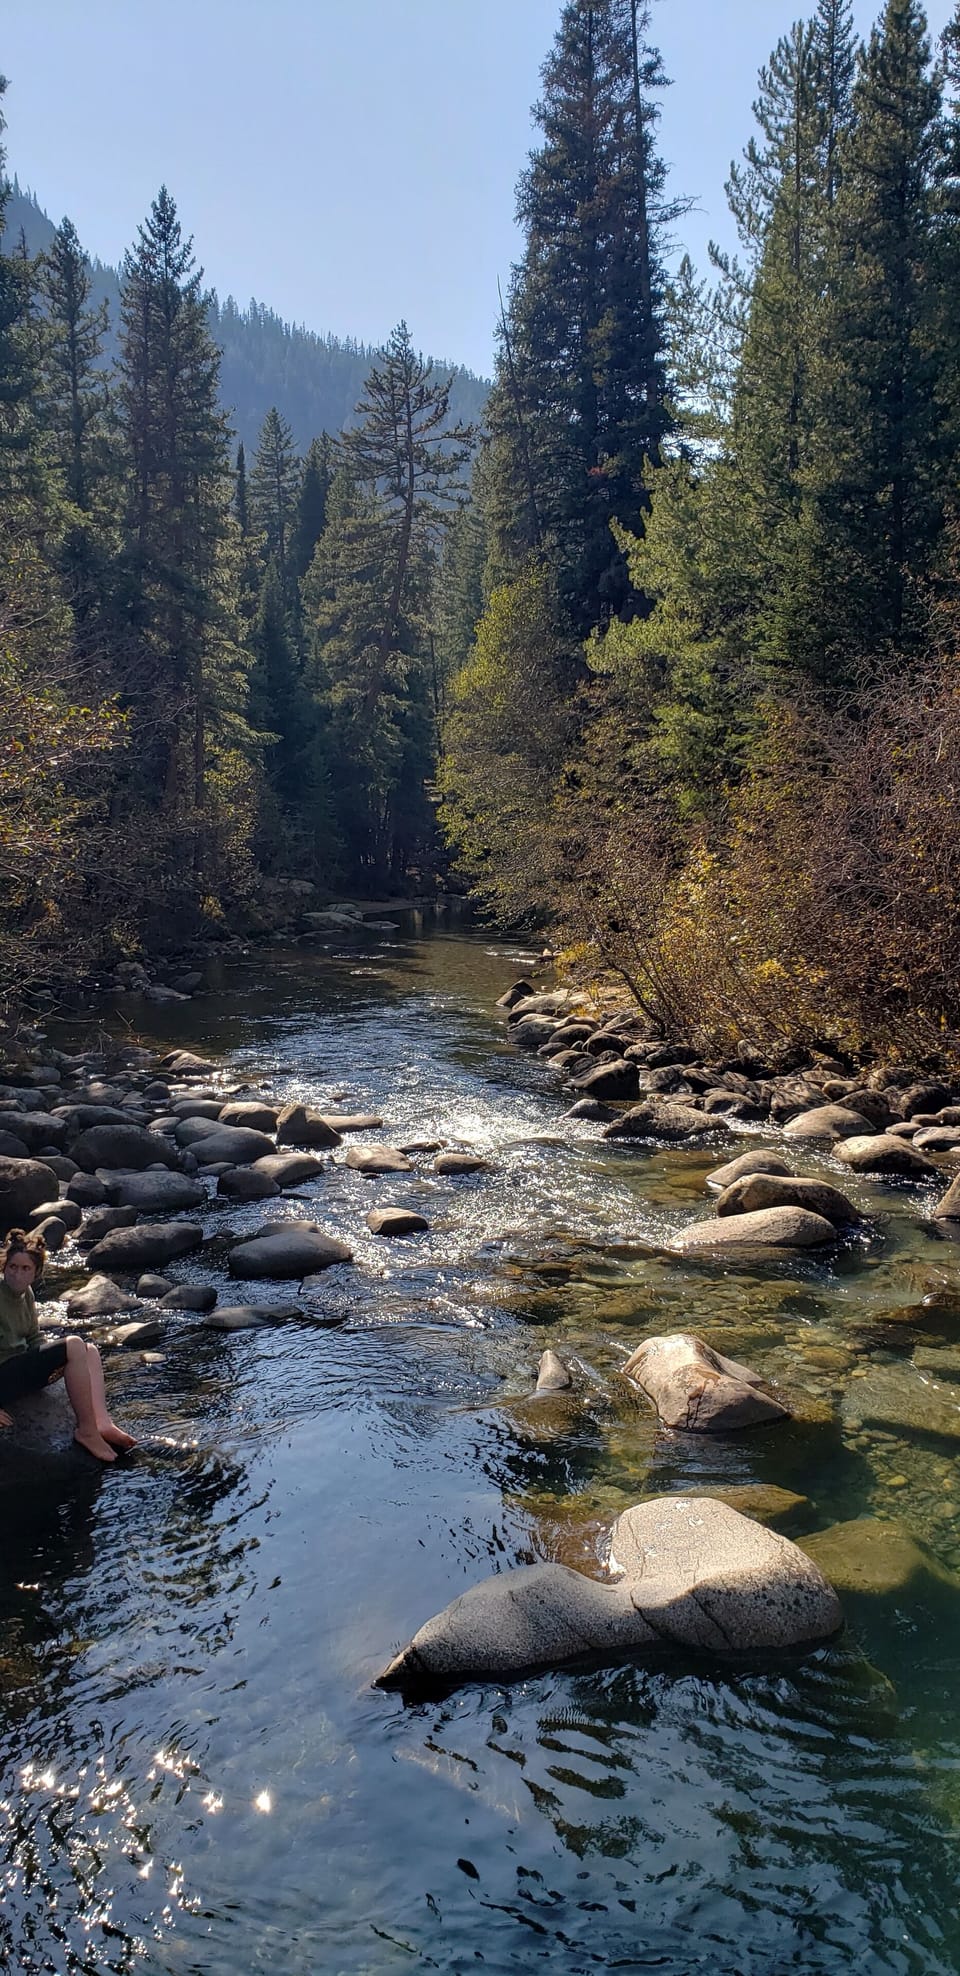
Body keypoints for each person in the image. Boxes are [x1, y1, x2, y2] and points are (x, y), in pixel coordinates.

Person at [0, 1228, 136, 1463]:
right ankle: (86, 1431)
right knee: (73, 1344)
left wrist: (54, 1359)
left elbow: (33, 1336)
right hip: (3, 1378)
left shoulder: (27, 1295)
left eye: (25, 1269)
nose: (18, 1274)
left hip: (18, 1368)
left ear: (36, 1273)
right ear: (4, 1267)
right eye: (12, 1267)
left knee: (89, 1351)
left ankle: (102, 1423)